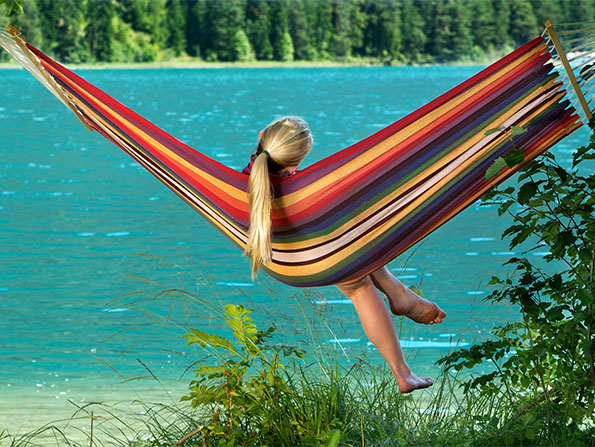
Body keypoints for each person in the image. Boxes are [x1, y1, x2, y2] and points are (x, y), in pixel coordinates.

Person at [243, 116, 447, 393]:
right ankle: (402, 372)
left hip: (280, 259)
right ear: (296, 162)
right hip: (315, 256)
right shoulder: (302, 187)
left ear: (262, 135)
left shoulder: (246, 179)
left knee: (345, 238)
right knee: (358, 286)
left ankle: (399, 293)